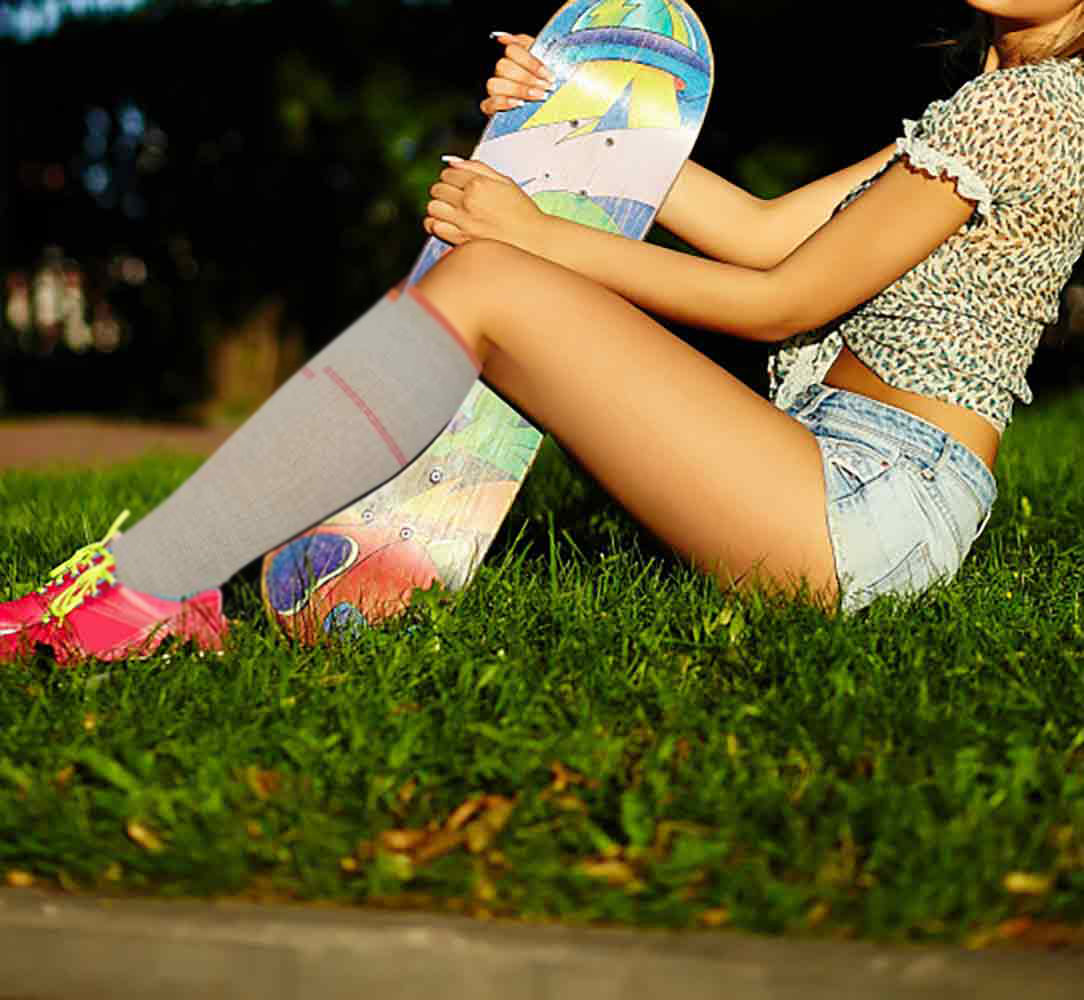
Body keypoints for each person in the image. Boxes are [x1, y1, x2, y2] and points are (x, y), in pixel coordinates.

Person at [3, 1, 1083, 664]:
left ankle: (142, 587)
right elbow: (757, 235)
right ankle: (158, 577)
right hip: (861, 491)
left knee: (491, 281)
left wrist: (533, 233)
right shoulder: (986, 113)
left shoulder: (1031, 111)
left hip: (867, 498)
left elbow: (781, 301)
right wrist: (579, 110)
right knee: (492, 278)